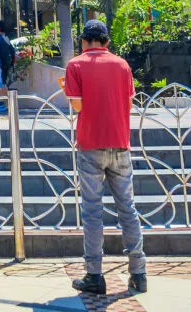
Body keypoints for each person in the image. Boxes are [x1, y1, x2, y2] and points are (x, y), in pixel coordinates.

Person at [59, 20, 147, 297]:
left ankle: (95, 275)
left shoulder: (75, 65)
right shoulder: (122, 65)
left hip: (90, 143)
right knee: (128, 209)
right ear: (106, 42)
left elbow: (77, 105)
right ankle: (139, 272)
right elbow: (129, 103)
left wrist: (67, 89)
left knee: (93, 211)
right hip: (120, 142)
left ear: (84, 41)